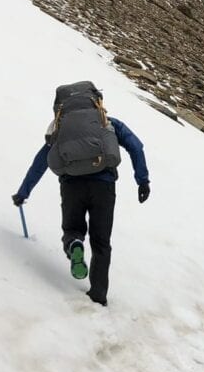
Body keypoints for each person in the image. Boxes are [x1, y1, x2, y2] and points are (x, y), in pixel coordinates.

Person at [12, 82, 150, 306]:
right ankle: (98, 295)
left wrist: (23, 192)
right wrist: (142, 180)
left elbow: (41, 162)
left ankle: (74, 243)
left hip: (72, 186)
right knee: (101, 242)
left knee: (72, 229)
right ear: (96, 102)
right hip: (104, 187)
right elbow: (136, 146)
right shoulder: (108, 124)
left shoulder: (60, 130)